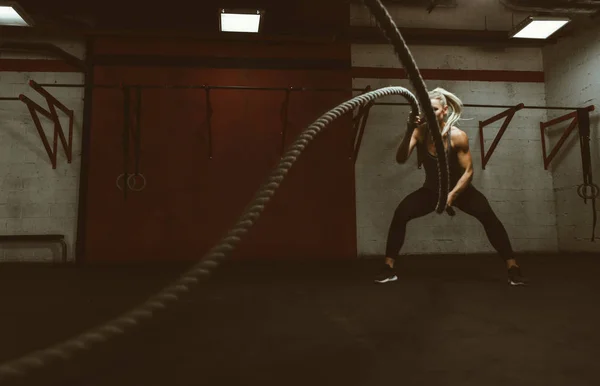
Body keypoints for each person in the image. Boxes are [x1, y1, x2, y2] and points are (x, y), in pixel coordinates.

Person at [374, 87, 528, 286]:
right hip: (431, 191)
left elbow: (469, 172)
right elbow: (401, 158)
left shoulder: (457, 136)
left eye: (435, 110)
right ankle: (388, 268)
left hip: (460, 190)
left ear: (444, 110)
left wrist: (452, 196)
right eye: (426, 110)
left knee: (488, 216)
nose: (430, 114)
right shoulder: (419, 132)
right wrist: (407, 130)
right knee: (401, 213)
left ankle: (512, 267)